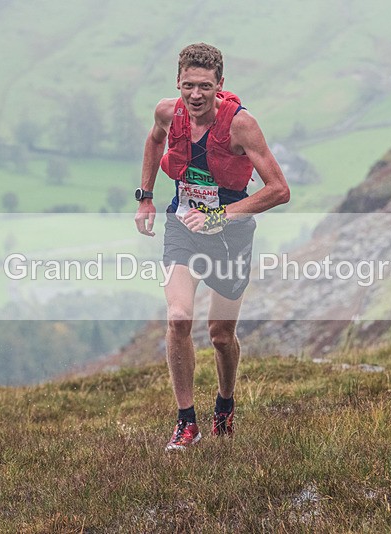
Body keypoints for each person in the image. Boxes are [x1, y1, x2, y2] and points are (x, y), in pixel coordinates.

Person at [135, 43, 290, 450]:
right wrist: (146, 196)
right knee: (179, 318)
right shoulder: (168, 112)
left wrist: (220, 216)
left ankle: (225, 403)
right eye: (188, 86)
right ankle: (187, 422)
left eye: (205, 86)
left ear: (220, 85)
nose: (196, 95)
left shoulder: (242, 126)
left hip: (229, 235)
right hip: (182, 226)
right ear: (178, 83)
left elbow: (279, 190)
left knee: (220, 335)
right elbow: (154, 142)